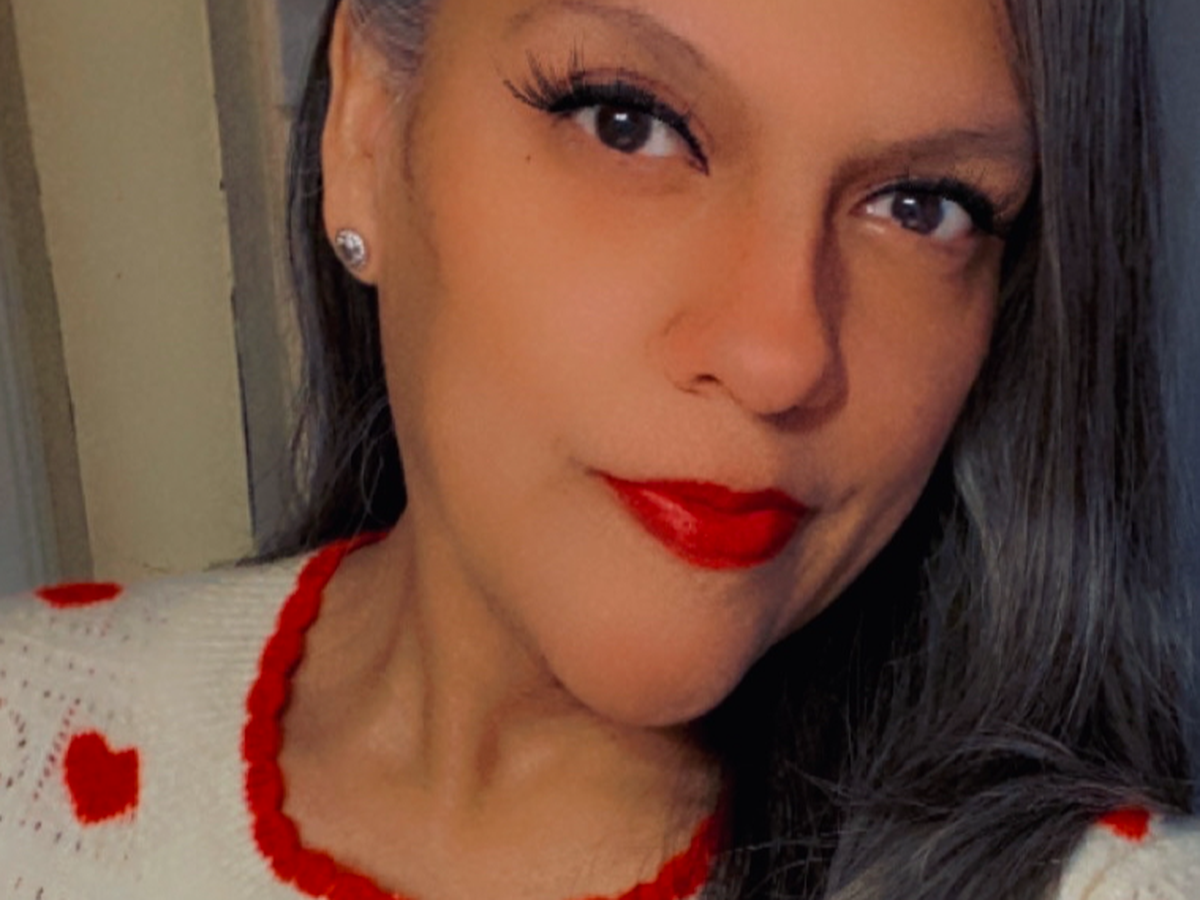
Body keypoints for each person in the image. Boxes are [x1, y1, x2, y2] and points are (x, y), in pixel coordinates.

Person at [0, 0, 1197, 898]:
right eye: (629, 122)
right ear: (368, 127)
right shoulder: (29, 724)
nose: (780, 354)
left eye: (924, 205)